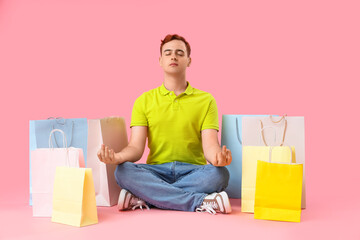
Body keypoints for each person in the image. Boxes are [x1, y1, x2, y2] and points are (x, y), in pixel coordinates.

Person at [97, 34, 233, 215]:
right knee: (122, 171)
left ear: (189, 60)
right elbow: (136, 148)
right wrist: (117, 158)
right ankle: (198, 201)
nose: (173, 57)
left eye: (179, 53)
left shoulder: (206, 100)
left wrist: (218, 158)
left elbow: (210, 145)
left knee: (220, 174)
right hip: (155, 171)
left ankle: (147, 197)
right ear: (160, 60)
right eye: (168, 53)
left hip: (193, 171)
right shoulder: (143, 101)